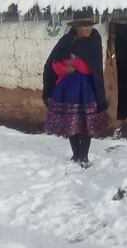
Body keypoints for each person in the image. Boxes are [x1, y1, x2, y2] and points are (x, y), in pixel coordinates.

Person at [42, 9, 109, 168]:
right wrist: (65, 69)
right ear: (76, 27)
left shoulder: (94, 41)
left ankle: (84, 156)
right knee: (71, 121)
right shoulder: (66, 41)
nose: (88, 28)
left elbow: (90, 68)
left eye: (90, 25)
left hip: (88, 90)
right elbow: (53, 63)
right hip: (68, 90)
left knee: (87, 122)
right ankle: (75, 154)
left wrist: (74, 63)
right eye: (84, 26)